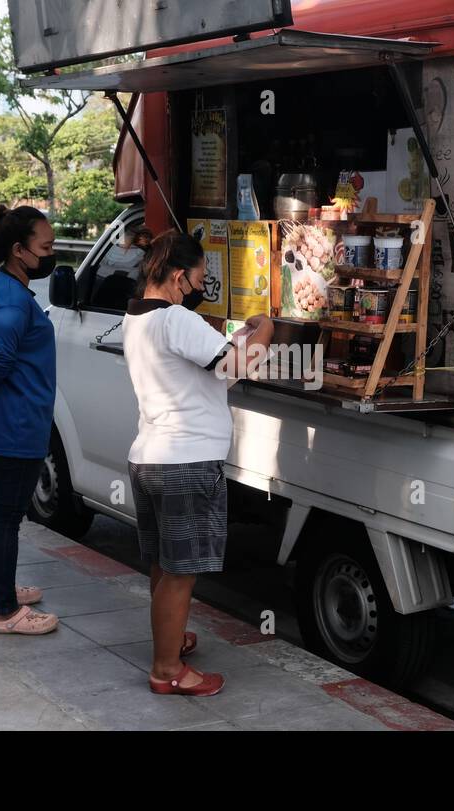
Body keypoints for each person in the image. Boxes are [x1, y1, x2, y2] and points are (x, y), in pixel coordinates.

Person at [122, 230, 273, 695]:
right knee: (180, 571)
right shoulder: (174, 319)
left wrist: (237, 340)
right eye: (201, 277)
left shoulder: (137, 316)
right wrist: (265, 326)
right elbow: (239, 366)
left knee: (165, 565)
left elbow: (204, 377)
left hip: (151, 456)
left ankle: (172, 642)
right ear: (179, 276)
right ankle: (167, 669)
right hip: (184, 461)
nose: (203, 285)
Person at [0, 205, 60, 635]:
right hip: (16, 420)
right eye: (46, 247)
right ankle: (5, 612)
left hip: (6, 418)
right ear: (20, 250)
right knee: (6, 515)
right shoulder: (11, 300)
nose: (52, 253)